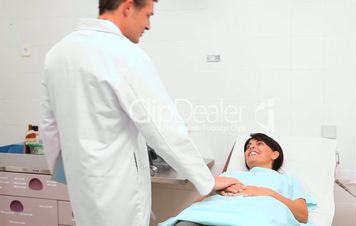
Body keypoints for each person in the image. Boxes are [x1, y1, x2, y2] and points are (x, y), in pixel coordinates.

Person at [40, 0, 241, 226]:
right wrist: (207, 181)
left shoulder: (58, 53)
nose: (148, 26)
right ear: (127, 7)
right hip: (118, 189)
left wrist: (70, 174)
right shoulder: (123, 52)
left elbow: (49, 126)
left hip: (82, 185)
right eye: (148, 15)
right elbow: (163, 128)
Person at [160, 133, 317, 226]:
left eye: (259, 144)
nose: (251, 147)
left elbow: (302, 215)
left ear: (275, 154)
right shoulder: (227, 177)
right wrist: (217, 190)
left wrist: (268, 193)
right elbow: (197, 206)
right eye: (248, 146)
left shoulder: (288, 181)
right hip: (206, 220)